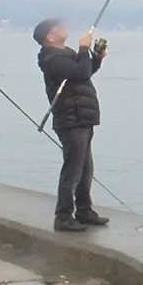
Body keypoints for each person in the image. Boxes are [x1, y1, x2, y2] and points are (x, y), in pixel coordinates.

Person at [34, 18, 109, 232]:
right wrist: (84, 47)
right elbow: (81, 73)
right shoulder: (52, 58)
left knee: (86, 168)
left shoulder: (64, 53)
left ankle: (84, 211)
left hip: (82, 117)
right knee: (73, 170)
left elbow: (84, 71)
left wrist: (96, 58)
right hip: (71, 119)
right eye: (59, 27)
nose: (64, 27)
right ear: (50, 36)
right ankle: (63, 216)